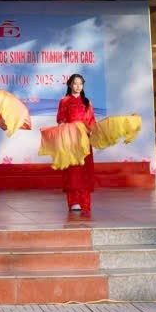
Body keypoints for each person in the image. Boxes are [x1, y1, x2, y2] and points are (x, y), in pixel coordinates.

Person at [57, 73, 96, 213]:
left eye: (81, 84)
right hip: (71, 139)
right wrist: (67, 130)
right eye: (75, 83)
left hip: (84, 141)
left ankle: (85, 200)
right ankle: (73, 201)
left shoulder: (87, 102)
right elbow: (61, 120)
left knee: (85, 170)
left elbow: (91, 121)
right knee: (73, 170)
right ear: (70, 85)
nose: (78, 86)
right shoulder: (64, 101)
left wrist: (90, 131)